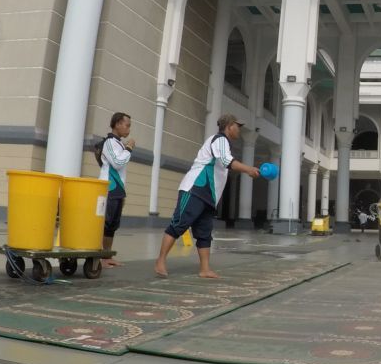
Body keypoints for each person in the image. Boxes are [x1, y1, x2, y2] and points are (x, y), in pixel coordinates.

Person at [154, 114, 260, 278]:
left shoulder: (224, 143)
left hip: (209, 195)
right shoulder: (219, 139)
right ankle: (160, 261)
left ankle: (204, 269)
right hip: (195, 188)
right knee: (179, 223)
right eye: (238, 126)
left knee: (204, 232)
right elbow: (226, 161)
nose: (239, 129)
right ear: (230, 125)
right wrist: (249, 169)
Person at [97, 111, 134, 268]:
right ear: (118, 124)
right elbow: (117, 163)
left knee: (112, 225)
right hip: (109, 188)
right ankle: (100, 257)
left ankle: (107, 255)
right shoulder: (110, 143)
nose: (129, 129)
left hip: (118, 189)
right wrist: (129, 149)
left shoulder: (118, 144)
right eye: (127, 125)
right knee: (105, 223)